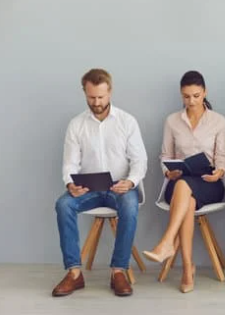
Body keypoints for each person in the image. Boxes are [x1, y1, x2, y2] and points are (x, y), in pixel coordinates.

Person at [53, 68, 147, 297]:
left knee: (129, 205)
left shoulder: (127, 121)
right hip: (89, 187)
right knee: (63, 204)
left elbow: (140, 160)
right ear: (85, 93)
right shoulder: (76, 125)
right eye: (91, 97)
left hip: (120, 187)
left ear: (110, 92)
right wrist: (70, 183)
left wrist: (131, 182)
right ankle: (74, 273)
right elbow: (69, 164)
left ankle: (118, 271)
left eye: (101, 97)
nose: (96, 102)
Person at [143, 70, 225, 293]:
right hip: (180, 178)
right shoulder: (172, 121)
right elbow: (164, 155)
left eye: (196, 96)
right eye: (186, 96)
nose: (191, 101)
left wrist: (219, 172)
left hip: (209, 181)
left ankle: (167, 243)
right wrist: (167, 171)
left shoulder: (218, 121)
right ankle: (187, 268)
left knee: (186, 189)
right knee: (185, 196)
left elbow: (221, 156)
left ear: (205, 92)